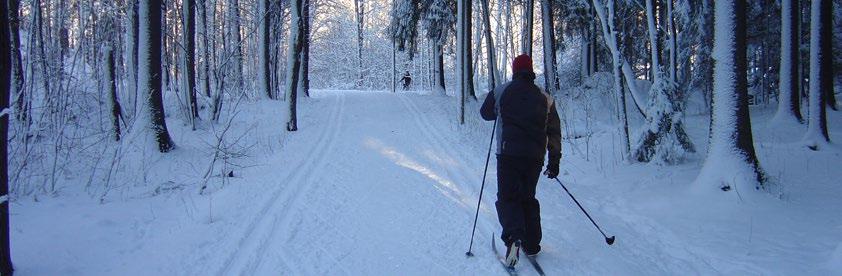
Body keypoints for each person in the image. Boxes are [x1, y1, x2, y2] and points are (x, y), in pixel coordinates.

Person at [480, 54, 562, 267]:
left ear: (515, 70)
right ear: (531, 71)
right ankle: (532, 245)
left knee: (507, 198)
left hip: (508, 155)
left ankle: (514, 237)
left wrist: (500, 109)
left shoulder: (502, 90)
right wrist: (554, 162)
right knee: (528, 197)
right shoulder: (545, 97)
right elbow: (554, 131)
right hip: (535, 157)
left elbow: (485, 113)